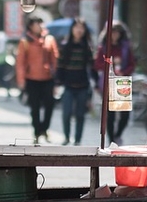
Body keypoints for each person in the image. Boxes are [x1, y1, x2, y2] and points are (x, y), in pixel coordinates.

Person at [16, 17, 59, 145]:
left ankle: (44, 129)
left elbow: (55, 59)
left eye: (40, 24)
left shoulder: (49, 40)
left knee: (50, 105)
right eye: (35, 24)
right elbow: (20, 63)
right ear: (30, 27)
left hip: (47, 78)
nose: (38, 26)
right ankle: (36, 131)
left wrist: (56, 77)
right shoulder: (25, 42)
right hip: (32, 79)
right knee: (34, 107)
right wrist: (21, 80)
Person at [95, 22, 135, 144]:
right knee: (110, 114)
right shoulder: (104, 47)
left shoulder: (125, 47)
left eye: (117, 32)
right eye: (112, 32)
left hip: (122, 82)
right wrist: (109, 64)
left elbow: (132, 64)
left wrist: (124, 72)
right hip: (108, 82)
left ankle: (118, 135)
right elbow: (97, 64)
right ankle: (111, 139)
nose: (115, 35)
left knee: (124, 115)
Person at [55, 18, 94, 146]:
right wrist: (57, 83)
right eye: (76, 27)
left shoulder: (87, 47)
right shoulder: (65, 46)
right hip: (68, 85)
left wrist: (96, 84)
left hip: (83, 85)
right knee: (66, 113)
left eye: (81, 28)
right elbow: (60, 66)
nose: (78, 30)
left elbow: (91, 67)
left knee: (80, 115)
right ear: (72, 29)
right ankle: (66, 137)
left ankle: (78, 140)